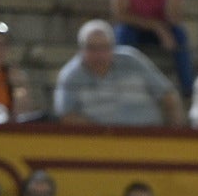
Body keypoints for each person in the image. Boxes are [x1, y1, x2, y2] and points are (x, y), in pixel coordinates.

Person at [55, 19, 184, 127]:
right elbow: (66, 116)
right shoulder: (70, 76)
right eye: (92, 48)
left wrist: (175, 132)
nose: (99, 54)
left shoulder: (132, 60)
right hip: (100, 143)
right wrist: (103, 132)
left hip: (148, 138)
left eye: (104, 47)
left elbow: (168, 95)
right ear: (81, 50)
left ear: (113, 47)